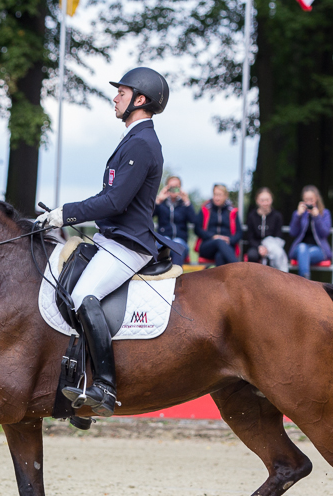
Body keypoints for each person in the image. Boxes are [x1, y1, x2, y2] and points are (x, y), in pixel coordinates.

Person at [36, 67, 179, 417]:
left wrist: (65, 214)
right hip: (110, 239)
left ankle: (104, 387)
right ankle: (79, 380)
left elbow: (114, 201)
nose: (115, 98)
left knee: (84, 296)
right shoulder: (133, 139)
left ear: (140, 100)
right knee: (67, 287)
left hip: (128, 245)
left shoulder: (142, 143)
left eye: (122, 93)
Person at [288, 185, 332, 279]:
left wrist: (317, 217)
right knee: (302, 248)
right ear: (302, 200)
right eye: (306, 200)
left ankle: (303, 281)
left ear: (316, 199)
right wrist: (298, 216)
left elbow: (325, 233)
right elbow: (293, 232)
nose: (309, 202)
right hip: (300, 248)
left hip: (319, 249)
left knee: (304, 254)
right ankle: (306, 280)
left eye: (311, 199)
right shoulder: (298, 213)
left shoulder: (324, 213)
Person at [195, 184, 242, 266]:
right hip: (208, 245)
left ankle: (226, 275)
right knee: (219, 241)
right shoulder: (205, 209)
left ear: (226, 196)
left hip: (227, 246)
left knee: (220, 256)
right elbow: (197, 229)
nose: (217, 198)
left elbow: (239, 232)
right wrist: (213, 236)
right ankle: (239, 268)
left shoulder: (232, 211)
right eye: (215, 194)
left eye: (220, 195)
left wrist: (229, 240)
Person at [243, 187, 288, 272]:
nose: (265, 203)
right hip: (256, 246)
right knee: (252, 255)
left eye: (267, 200)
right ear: (257, 201)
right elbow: (250, 237)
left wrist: (267, 248)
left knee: (275, 256)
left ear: (272, 200)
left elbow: (278, 235)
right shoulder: (252, 216)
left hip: (272, 246)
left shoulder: (277, 216)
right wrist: (259, 247)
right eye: (262, 200)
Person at [153, 175, 195, 265]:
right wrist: (158, 200)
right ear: (166, 188)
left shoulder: (183, 205)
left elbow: (193, 220)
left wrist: (187, 201)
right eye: (171, 187)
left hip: (181, 241)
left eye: (176, 187)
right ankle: (161, 272)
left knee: (177, 244)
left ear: (180, 188)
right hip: (164, 239)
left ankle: (177, 273)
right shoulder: (162, 204)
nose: (174, 189)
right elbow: (149, 216)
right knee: (164, 243)